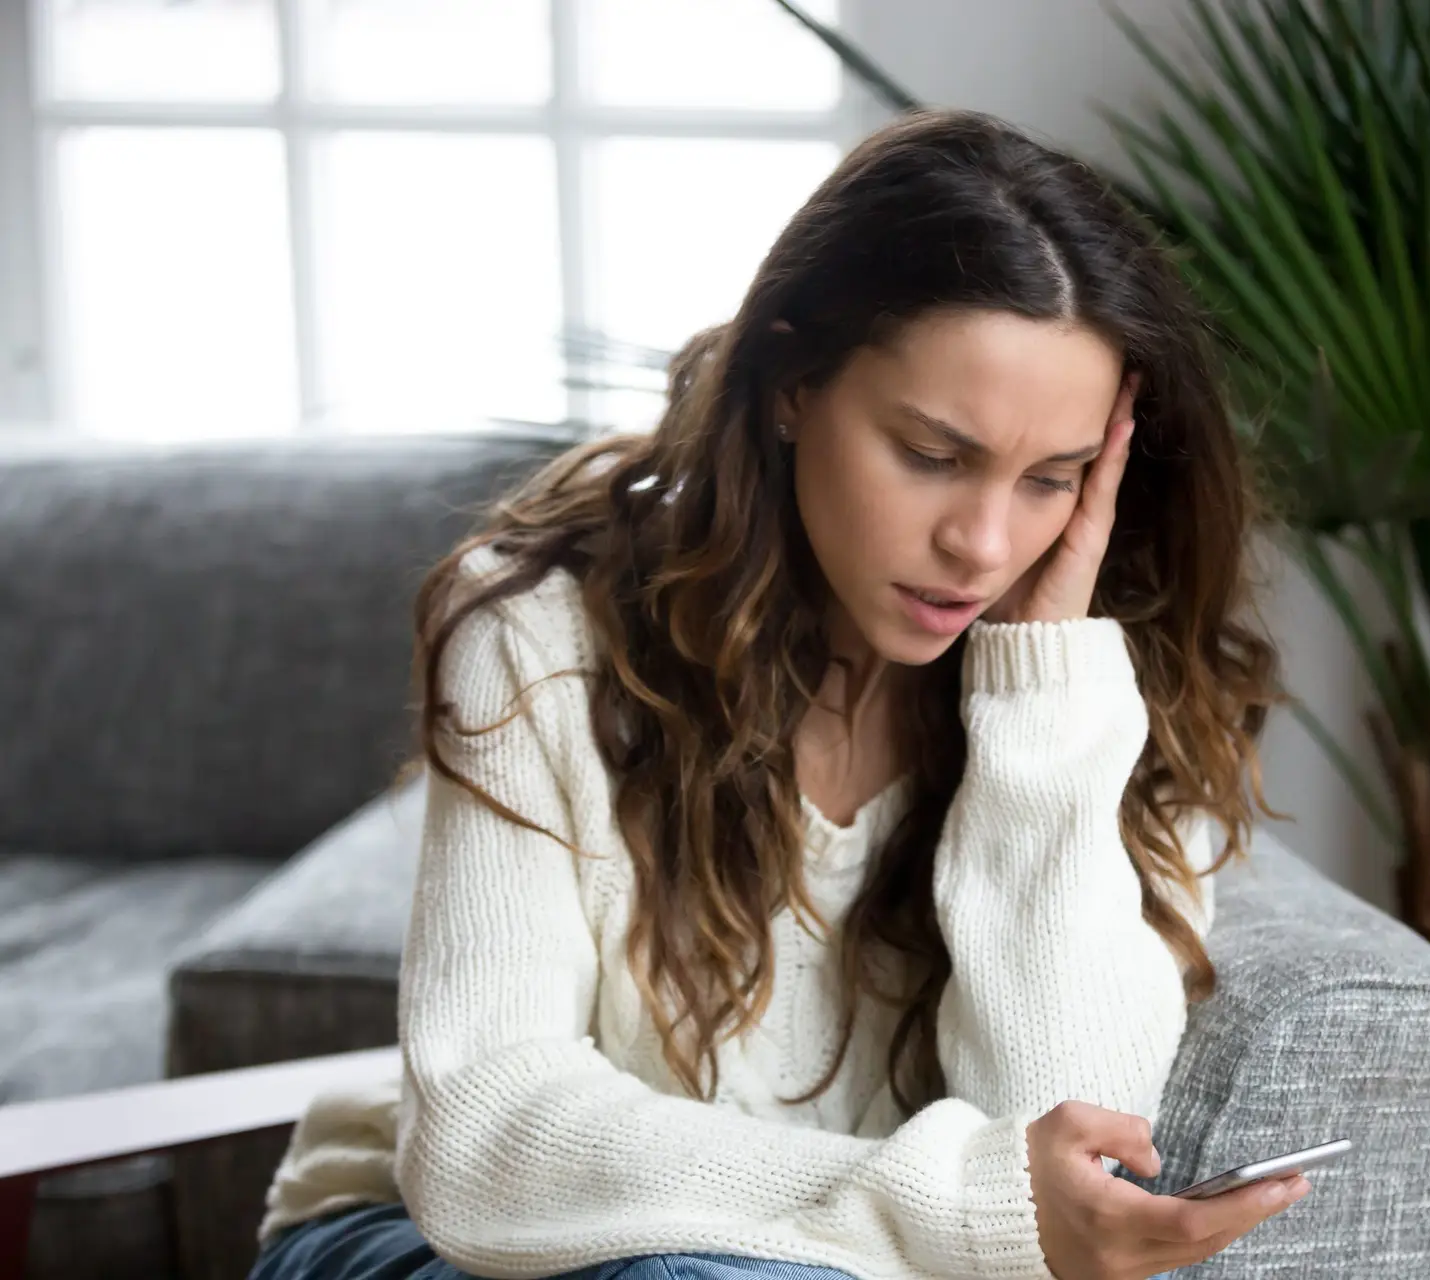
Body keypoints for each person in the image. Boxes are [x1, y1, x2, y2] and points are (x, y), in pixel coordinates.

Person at [247, 108, 1301, 1280]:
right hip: (428, 1235)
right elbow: (489, 1141)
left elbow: (1070, 1154)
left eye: (1051, 479)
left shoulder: (1097, 687)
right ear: (796, 380)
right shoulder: (542, 628)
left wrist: (1039, 695)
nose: (983, 541)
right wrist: (954, 1205)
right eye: (932, 454)